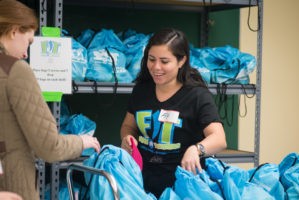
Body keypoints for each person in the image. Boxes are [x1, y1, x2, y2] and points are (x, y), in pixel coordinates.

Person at [0, 0, 101, 199]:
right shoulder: (15, 70)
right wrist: (82, 141)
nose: (26, 53)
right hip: (14, 186)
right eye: (28, 41)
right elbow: (49, 147)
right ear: (13, 31)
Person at [120, 28, 227, 197]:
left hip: (182, 185)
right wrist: (127, 138)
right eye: (151, 59)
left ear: (181, 61)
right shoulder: (141, 91)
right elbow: (128, 126)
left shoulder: (197, 95)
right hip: (142, 181)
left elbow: (219, 139)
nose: (156, 67)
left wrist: (196, 149)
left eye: (164, 61)